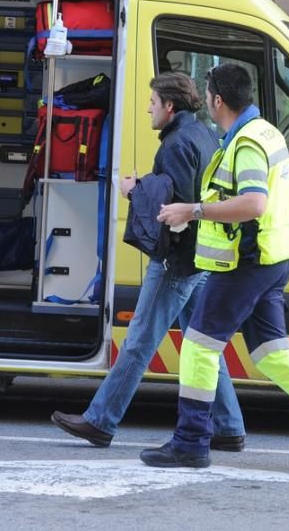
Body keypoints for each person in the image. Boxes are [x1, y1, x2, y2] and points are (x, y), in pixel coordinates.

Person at [141, 63, 289, 470]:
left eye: (209, 95)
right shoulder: (264, 131)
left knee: (198, 345)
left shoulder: (246, 142)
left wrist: (192, 210)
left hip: (247, 263)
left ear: (216, 99)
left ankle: (191, 442)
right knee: (271, 352)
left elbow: (253, 203)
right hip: (272, 259)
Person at [50, 72, 247, 450]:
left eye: (152, 103)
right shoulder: (204, 135)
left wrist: (133, 190)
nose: (148, 108)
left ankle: (101, 420)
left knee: (140, 341)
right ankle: (228, 426)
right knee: (202, 344)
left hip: (177, 261)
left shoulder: (174, 145)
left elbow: (174, 209)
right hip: (201, 256)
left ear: (169, 107)